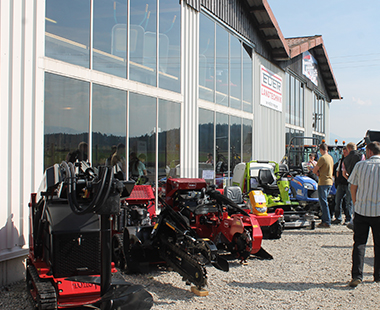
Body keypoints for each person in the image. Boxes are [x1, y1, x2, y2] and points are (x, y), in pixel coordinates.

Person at [347, 141, 380, 287]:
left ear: (370, 151)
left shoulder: (360, 166)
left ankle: (357, 275)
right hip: (379, 211)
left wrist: (356, 203)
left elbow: (352, 187)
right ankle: (378, 276)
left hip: (361, 210)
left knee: (359, 243)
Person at [342, 142, 365, 229]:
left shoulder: (345, 159)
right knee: (360, 201)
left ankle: (351, 219)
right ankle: (358, 220)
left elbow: (344, 173)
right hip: (360, 181)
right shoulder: (361, 156)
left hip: (351, 182)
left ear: (348, 149)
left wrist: (350, 179)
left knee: (351, 201)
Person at [313, 143, 334, 228]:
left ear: (321, 150)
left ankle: (326, 221)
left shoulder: (322, 158)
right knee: (325, 201)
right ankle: (326, 219)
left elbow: (315, 170)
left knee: (323, 202)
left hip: (323, 182)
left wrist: (314, 170)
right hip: (329, 181)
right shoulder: (330, 158)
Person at [332, 146, 352, 225]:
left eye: (345, 152)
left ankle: (348, 218)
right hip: (341, 183)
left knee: (348, 202)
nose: (344, 154)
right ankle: (338, 218)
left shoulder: (350, 161)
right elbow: (337, 170)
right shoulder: (341, 161)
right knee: (338, 201)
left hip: (347, 183)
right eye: (343, 152)